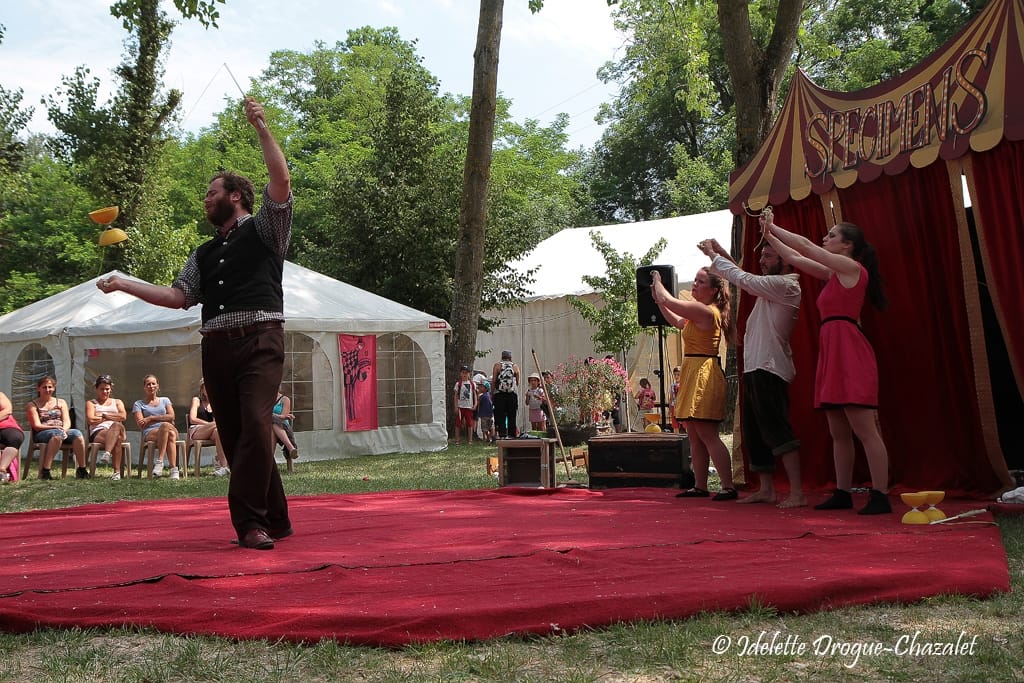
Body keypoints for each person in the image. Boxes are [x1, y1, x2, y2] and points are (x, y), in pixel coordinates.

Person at [99, 98, 293, 548]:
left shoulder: (267, 229)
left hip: (261, 339)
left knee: (255, 421)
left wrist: (261, 126)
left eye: (211, 193)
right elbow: (178, 297)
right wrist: (125, 283)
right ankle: (277, 520)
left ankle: (249, 524)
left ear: (235, 196)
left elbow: (281, 181)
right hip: (217, 347)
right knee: (240, 430)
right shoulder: (203, 254)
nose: (205, 200)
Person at [762, 208, 892, 515]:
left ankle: (881, 494)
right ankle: (843, 492)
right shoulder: (834, 273)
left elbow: (807, 247)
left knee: (864, 428)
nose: (826, 238)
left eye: (832, 235)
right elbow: (797, 259)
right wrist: (768, 234)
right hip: (833, 347)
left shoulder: (851, 268)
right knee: (838, 430)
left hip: (848, 348)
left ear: (847, 245)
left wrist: (775, 227)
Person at [698, 235, 806, 508]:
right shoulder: (770, 286)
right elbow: (745, 278)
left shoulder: (786, 285)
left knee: (778, 431)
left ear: (785, 260)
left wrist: (714, 256)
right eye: (762, 256)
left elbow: (746, 280)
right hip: (757, 367)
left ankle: (797, 492)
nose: (761, 259)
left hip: (770, 368)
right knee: (756, 433)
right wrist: (721, 252)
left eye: (768, 256)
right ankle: (767, 489)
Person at [650, 268, 737, 501]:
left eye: (701, 282)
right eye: (695, 280)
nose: (695, 285)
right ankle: (700, 485)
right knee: (695, 435)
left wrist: (658, 281)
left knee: (707, 433)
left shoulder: (706, 311)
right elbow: (677, 320)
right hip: (694, 371)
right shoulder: (698, 314)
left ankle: (728, 486)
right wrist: (659, 301)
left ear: (713, 290)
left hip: (703, 372)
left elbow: (670, 300)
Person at [26, 375, 88, 480]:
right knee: (57, 435)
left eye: (50, 387)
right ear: (38, 388)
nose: (47, 390)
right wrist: (55, 427)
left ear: (54, 388)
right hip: (42, 432)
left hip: (61, 430)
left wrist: (64, 429)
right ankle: (45, 470)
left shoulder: (61, 402)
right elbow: (36, 425)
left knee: (77, 434)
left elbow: (67, 421)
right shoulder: (32, 405)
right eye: (44, 387)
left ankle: (81, 469)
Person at [133, 374, 180, 480]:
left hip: (166, 427)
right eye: (148, 384)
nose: (151, 386)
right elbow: (141, 423)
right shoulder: (139, 404)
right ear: (144, 387)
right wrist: (165, 418)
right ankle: (174, 470)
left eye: (153, 383)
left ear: (157, 386)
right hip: (150, 432)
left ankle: (159, 462)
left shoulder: (165, 400)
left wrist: (150, 418)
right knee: (170, 434)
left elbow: (172, 416)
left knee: (165, 427)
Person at [85, 374, 128, 480]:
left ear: (111, 389)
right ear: (96, 389)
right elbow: (90, 420)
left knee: (117, 425)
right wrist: (110, 418)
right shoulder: (91, 403)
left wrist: (105, 415)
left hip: (118, 429)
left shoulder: (117, 402)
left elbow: (123, 416)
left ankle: (107, 452)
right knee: (116, 438)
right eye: (102, 389)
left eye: (107, 389)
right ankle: (116, 473)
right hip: (99, 431)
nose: (105, 392)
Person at [189, 379, 230, 477]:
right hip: (196, 430)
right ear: (202, 389)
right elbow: (192, 419)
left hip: (213, 429)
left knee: (218, 431)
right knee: (219, 426)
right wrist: (209, 424)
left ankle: (223, 467)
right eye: (206, 387)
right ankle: (223, 462)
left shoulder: (216, 402)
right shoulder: (197, 400)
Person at [491, 350, 521, 439]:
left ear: (502, 357)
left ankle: (502, 435)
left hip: (499, 394)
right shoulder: (515, 366)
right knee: (512, 415)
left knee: (500, 415)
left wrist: (492, 393)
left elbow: (494, 380)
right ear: (510, 357)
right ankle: (512, 435)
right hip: (512, 394)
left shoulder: (497, 366)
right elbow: (517, 382)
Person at [0, 391, 24, 483]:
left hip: (8, 426)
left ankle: (2, 469)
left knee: (15, 438)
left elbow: (7, 410)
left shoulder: (0, 395)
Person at [452, 365, 478, 445]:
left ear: (469, 374)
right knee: (458, 423)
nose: (465, 375)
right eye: (463, 373)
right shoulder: (458, 384)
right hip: (460, 407)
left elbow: (474, 394)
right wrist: (456, 406)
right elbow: (456, 396)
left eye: (466, 373)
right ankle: (457, 440)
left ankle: (470, 440)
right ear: (460, 373)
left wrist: (475, 404)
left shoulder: (472, 384)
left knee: (470, 423)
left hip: (469, 407)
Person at [272, 389, 299, 460]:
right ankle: (291, 448)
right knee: (272, 426)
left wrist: (270, 415)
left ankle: (269, 460)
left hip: (283, 427)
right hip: (268, 428)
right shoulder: (265, 400)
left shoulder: (285, 399)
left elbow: (283, 416)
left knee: (274, 423)